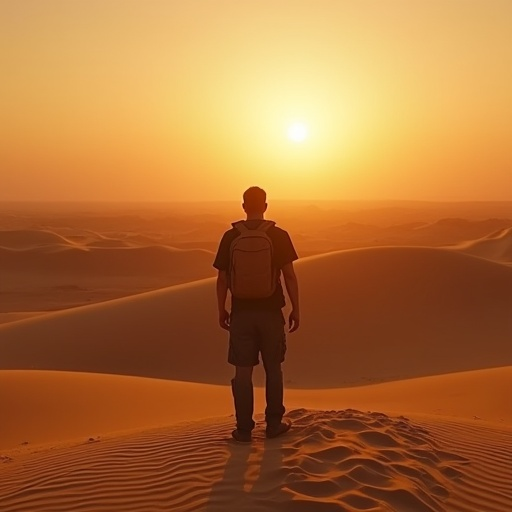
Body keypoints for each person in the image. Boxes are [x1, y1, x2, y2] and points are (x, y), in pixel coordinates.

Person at [213, 186, 300, 443]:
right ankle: (273, 424)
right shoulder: (279, 235)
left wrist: (221, 309)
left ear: (243, 206)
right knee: (274, 369)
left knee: (242, 373)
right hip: (272, 313)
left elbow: (222, 279)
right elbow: (290, 276)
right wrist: (296, 308)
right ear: (265, 206)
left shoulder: (230, 237)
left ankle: (243, 430)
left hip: (241, 314)